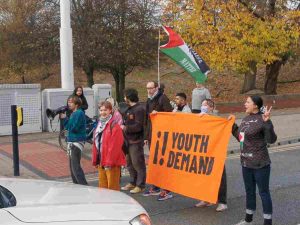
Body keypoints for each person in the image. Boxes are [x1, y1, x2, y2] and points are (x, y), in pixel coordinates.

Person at [232, 96, 277, 225]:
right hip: (246, 163)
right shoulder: (245, 119)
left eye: (247, 102)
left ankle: (267, 222)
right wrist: (232, 125)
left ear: (256, 105)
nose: (245, 104)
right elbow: (241, 138)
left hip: (260, 164)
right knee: (249, 191)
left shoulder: (262, 119)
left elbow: (271, 140)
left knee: (263, 192)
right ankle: (248, 220)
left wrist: (268, 122)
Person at [194, 99, 228, 212]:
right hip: (203, 152)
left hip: (216, 152)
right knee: (203, 177)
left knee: (220, 177)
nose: (203, 107)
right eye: (202, 104)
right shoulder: (198, 117)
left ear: (212, 108)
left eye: (206, 105)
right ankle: (205, 199)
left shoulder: (217, 119)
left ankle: (222, 202)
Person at [143, 81, 173, 201]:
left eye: (151, 88)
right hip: (152, 135)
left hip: (162, 136)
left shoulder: (163, 98)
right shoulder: (149, 100)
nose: (149, 90)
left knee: (163, 162)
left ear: (156, 88)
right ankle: (156, 186)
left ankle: (166, 189)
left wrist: (159, 113)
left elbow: (170, 115)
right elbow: (147, 119)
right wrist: (146, 136)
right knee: (154, 162)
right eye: (147, 88)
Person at [92, 101, 126, 190]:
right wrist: (95, 160)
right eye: (101, 110)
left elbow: (115, 147)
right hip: (101, 161)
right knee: (102, 189)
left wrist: (109, 162)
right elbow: (96, 144)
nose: (103, 112)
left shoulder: (114, 126)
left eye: (105, 110)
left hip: (111, 163)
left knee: (112, 189)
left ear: (110, 110)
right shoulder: (99, 124)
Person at [120, 88, 146, 194]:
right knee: (129, 163)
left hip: (136, 141)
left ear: (129, 97)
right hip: (127, 141)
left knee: (138, 163)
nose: (124, 98)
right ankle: (133, 182)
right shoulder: (129, 108)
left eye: (125, 96)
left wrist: (125, 128)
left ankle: (141, 185)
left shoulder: (139, 109)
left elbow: (139, 126)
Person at [60, 95, 88, 185]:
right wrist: (64, 118)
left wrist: (68, 125)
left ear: (76, 104)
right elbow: (67, 126)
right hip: (72, 141)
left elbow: (74, 128)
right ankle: (76, 185)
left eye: (71, 102)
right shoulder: (73, 113)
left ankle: (84, 186)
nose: (69, 104)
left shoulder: (79, 113)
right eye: (68, 102)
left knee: (75, 167)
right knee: (72, 167)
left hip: (76, 142)